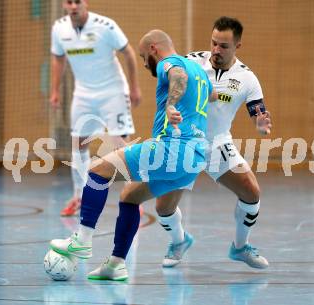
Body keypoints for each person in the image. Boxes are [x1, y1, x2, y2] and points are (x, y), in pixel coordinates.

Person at [50, 29, 214, 281]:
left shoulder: (170, 63)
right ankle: (116, 264)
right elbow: (213, 95)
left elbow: (177, 76)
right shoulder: (200, 72)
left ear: (153, 49)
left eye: (142, 56)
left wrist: (171, 104)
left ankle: (81, 240)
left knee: (96, 171)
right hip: (195, 158)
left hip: (170, 148)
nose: (143, 62)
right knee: (129, 196)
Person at [154, 16, 272, 269]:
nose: (216, 50)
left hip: (218, 144)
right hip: (185, 142)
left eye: (224, 46)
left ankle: (240, 247)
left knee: (251, 193)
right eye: (214, 43)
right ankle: (179, 241)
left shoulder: (247, 78)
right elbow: (171, 79)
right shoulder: (191, 61)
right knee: (163, 207)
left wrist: (261, 124)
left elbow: (257, 110)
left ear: (237, 46)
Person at [50, 0, 141, 216]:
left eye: (77, 2)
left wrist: (135, 87)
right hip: (83, 94)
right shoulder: (59, 28)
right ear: (64, 5)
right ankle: (79, 196)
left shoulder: (105, 25)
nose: (73, 6)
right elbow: (57, 58)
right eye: (69, 2)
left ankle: (136, 196)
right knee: (78, 145)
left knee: (121, 146)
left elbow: (128, 53)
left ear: (85, 4)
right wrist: (54, 90)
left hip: (113, 92)